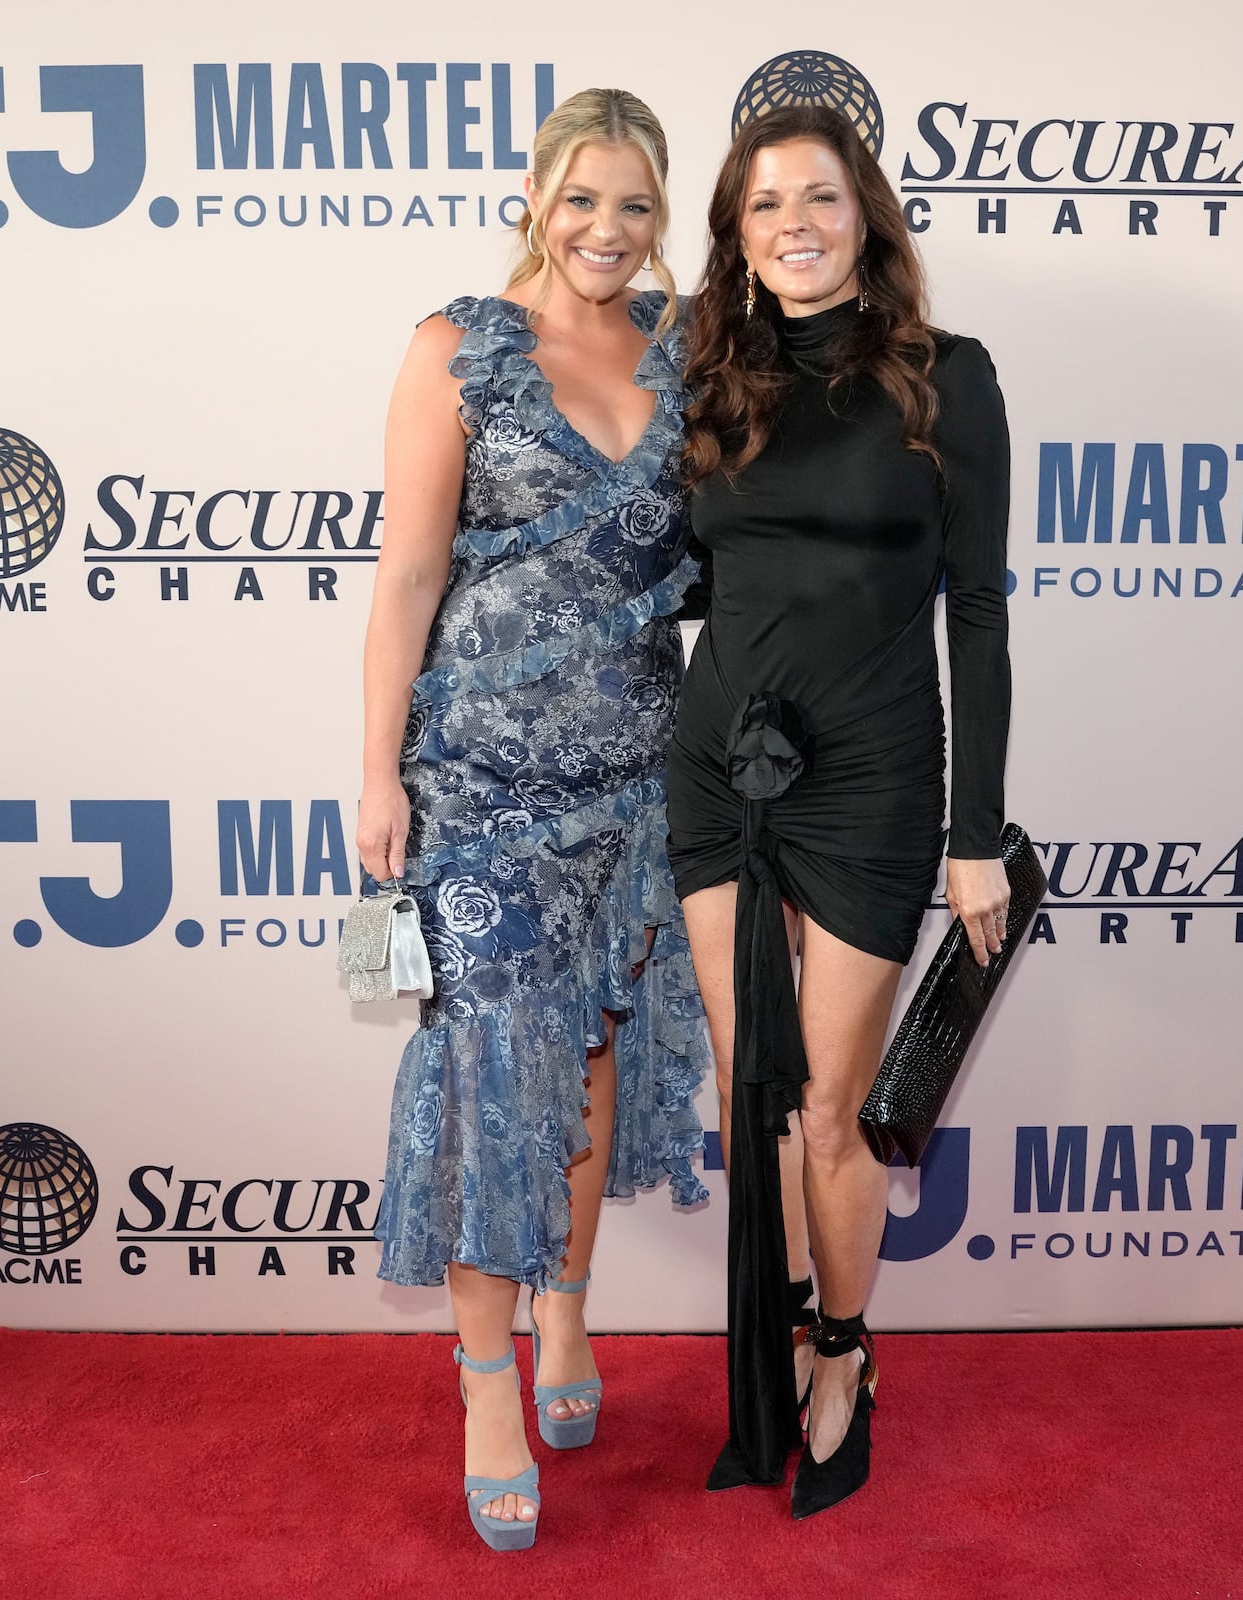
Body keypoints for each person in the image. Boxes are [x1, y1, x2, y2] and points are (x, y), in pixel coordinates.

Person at [357, 87, 706, 1552]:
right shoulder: (458, 348)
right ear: (536, 200)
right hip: (481, 788)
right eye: (582, 201)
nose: (607, 232)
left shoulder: (691, 350)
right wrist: (377, 770)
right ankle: (486, 1378)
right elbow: (407, 576)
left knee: (594, 1055)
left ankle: (568, 1305)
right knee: (492, 1068)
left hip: (640, 783)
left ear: (661, 213)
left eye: (635, 206)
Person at [668, 101, 1013, 1518]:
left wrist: (976, 834)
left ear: (864, 212)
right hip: (719, 773)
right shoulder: (707, 377)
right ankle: (772, 1349)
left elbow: (977, 611)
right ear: (737, 236)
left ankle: (845, 1353)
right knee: (752, 1102)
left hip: (873, 778)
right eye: (764, 204)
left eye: (819, 196)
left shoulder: (946, 378)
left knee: (826, 1114)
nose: (795, 224)